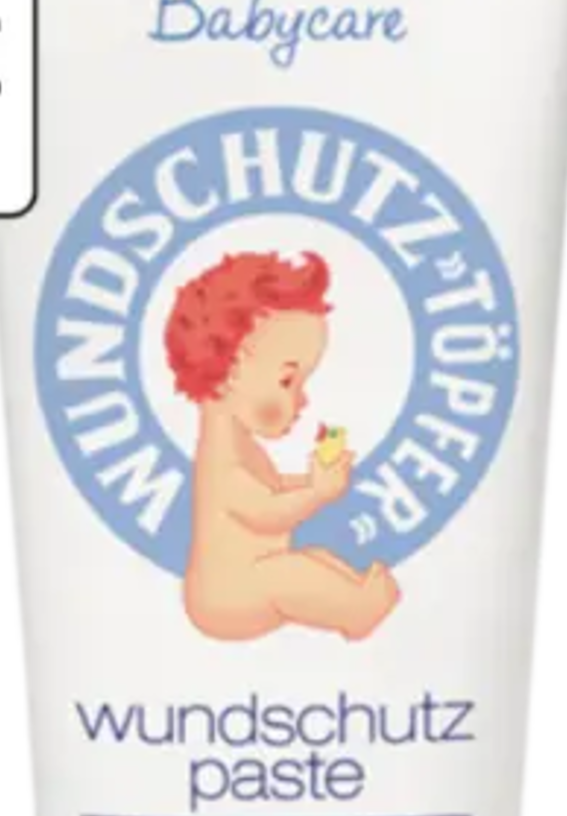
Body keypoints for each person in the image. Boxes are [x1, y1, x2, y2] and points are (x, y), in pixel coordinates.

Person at [165, 250, 401, 643]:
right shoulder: (221, 461)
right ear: (231, 371)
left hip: (253, 583)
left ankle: (352, 594)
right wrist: (316, 493)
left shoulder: (240, 448)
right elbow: (266, 514)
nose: (302, 400)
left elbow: (268, 494)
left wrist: (308, 482)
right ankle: (358, 611)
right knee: (289, 573)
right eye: (288, 381)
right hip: (229, 600)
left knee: (314, 561)